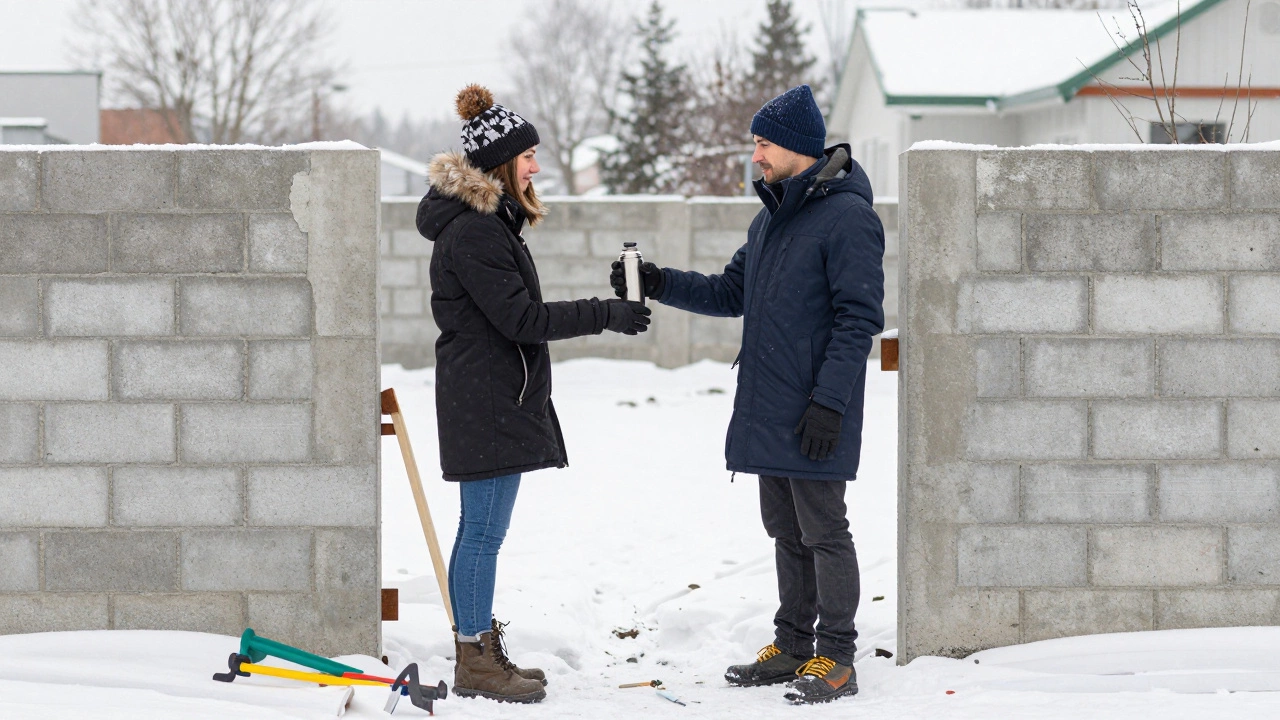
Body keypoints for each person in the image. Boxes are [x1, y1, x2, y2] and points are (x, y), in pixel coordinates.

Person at [610, 84, 885, 705]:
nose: (755, 156)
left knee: (824, 531)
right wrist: (655, 281)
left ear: (794, 147)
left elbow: (859, 320)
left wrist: (830, 403)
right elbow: (730, 292)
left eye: (762, 144)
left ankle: (836, 656)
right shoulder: (773, 218)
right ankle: (793, 644)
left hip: (814, 408)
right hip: (771, 406)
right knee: (785, 531)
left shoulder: (847, 218)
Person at [418, 84, 651, 704]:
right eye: (527, 157)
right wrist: (607, 313)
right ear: (500, 163)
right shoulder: (475, 234)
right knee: (482, 533)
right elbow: (522, 320)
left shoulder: (488, 227)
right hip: (486, 402)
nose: (536, 167)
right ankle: (474, 658)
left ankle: (480, 649)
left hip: (490, 396)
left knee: (480, 529)